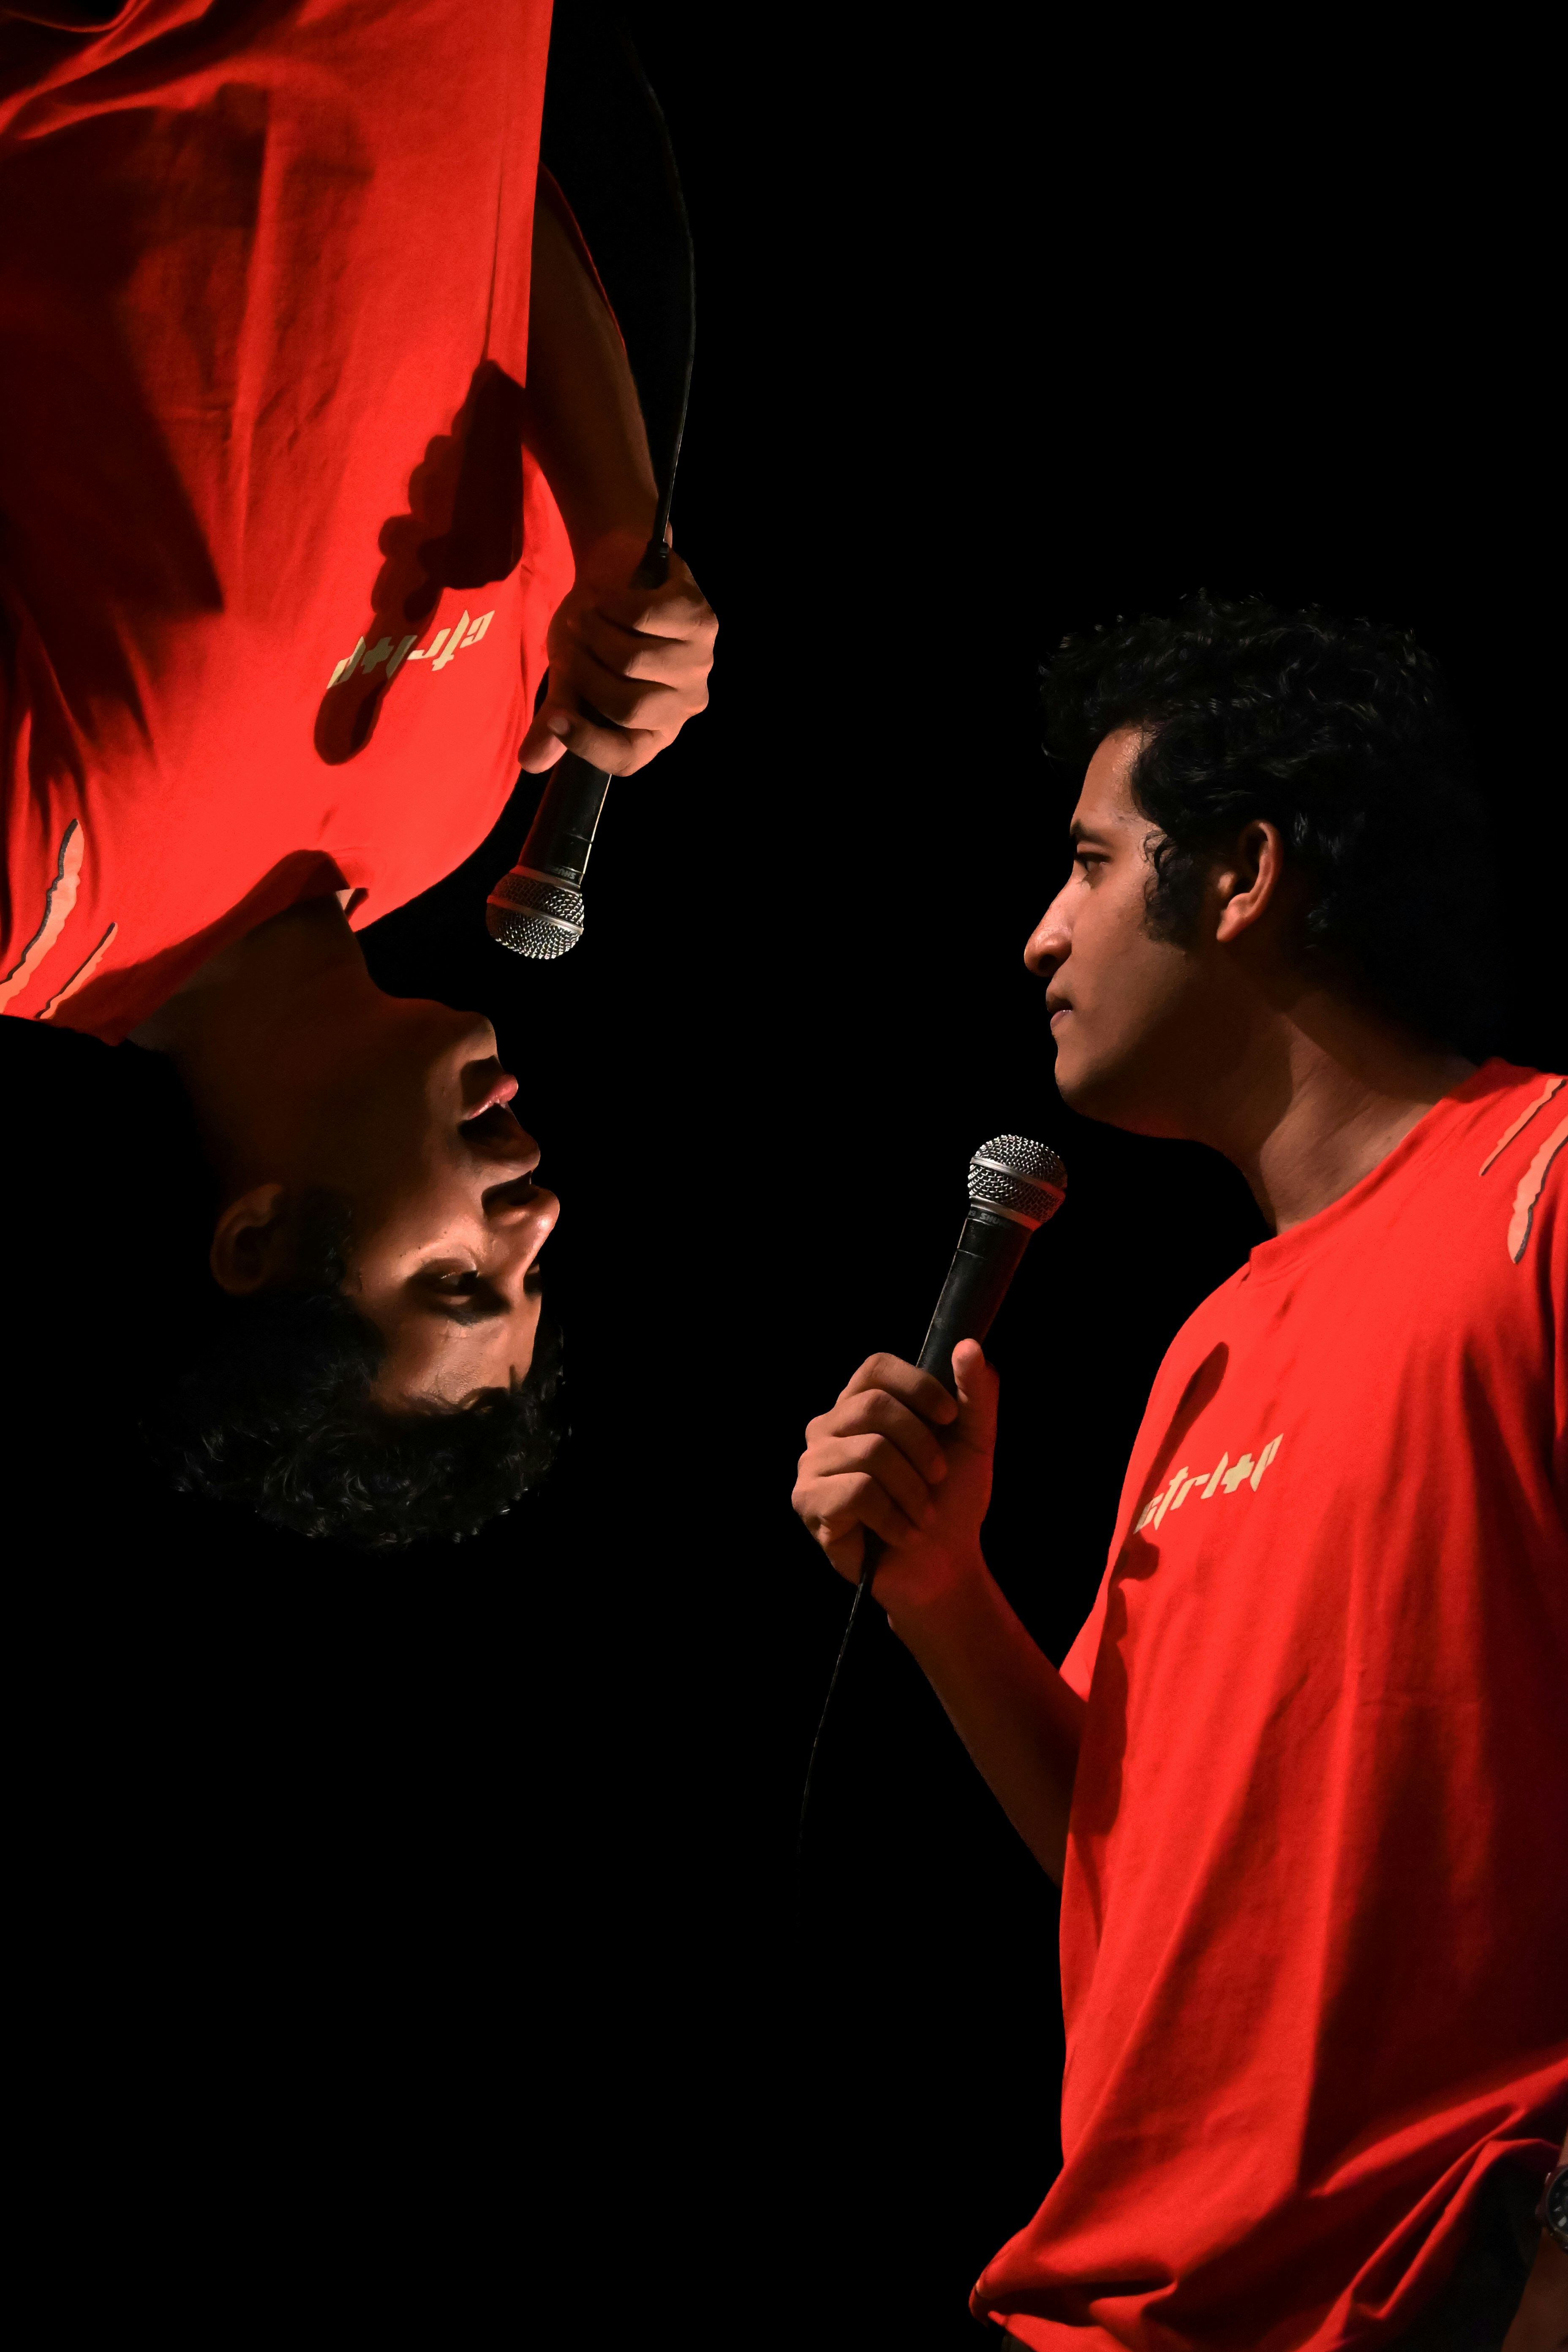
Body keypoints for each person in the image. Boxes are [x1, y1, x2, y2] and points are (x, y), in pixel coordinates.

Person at [792, 596, 1568, 2349]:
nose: (1035, 937)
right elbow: (1123, 1848)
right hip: (1120, 2308)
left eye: (1083, 862)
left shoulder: (1544, 1184)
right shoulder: (1206, 1345)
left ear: (1239, 875)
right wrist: (938, 1594)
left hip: (1422, 2286)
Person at [0, 0, 716, 1541]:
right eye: (534, 1282)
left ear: (259, 1241)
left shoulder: (31, 889)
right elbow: (491, 212)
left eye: (461, 1280)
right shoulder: (468, 820)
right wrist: (619, 538)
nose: (540, 1220)